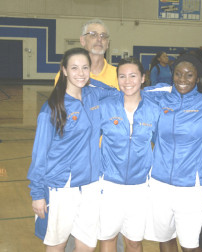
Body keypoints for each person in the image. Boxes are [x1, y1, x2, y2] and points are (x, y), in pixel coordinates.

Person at [27, 48, 110, 252]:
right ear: (63, 71)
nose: (80, 73)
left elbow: (119, 92)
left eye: (85, 68)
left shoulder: (93, 96)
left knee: (87, 247)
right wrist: (37, 194)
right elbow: (39, 156)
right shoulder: (52, 108)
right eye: (74, 68)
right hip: (61, 188)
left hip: (90, 186)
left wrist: (91, 83)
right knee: (57, 246)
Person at [145, 53, 202, 252]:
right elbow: (133, 90)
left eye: (189, 75)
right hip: (159, 183)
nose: (182, 80)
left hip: (191, 187)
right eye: (178, 74)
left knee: (190, 245)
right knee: (165, 238)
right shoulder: (162, 99)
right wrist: (166, 90)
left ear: (198, 78)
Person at [97, 58, 160, 252]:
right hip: (108, 184)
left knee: (133, 242)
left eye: (133, 76)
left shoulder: (154, 109)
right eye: (122, 76)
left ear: (143, 78)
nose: (127, 81)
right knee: (108, 238)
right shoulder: (105, 106)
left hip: (140, 187)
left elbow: (162, 145)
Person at [55, 19, 119, 90]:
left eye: (103, 36)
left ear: (107, 44)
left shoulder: (119, 75)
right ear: (83, 40)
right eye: (93, 35)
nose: (99, 39)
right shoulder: (66, 76)